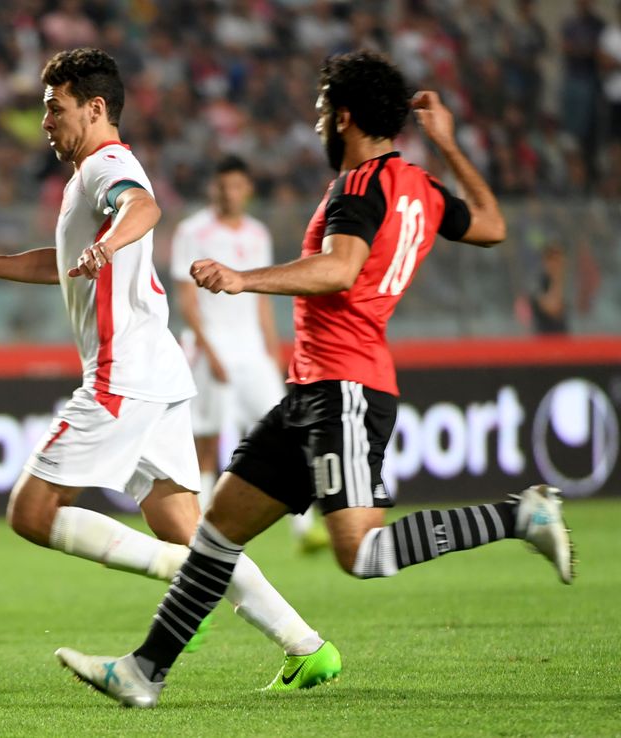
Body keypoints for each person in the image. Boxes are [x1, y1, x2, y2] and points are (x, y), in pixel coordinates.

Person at [56, 50, 575, 709]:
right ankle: (143, 673)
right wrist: (446, 147)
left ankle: (518, 514)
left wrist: (245, 280)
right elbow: (493, 226)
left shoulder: (360, 187)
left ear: (347, 117)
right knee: (217, 529)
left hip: (347, 388)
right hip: (311, 389)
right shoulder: (417, 185)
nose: (319, 126)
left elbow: (339, 270)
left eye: (324, 112)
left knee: (361, 552)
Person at [0, 48, 326, 682]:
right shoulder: (86, 177)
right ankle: (307, 646)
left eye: (55, 108)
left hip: (122, 371)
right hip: (154, 367)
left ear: (95, 108)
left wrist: (106, 244)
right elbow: (59, 262)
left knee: (31, 512)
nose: (45, 122)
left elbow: (144, 208)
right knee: (190, 529)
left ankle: (185, 581)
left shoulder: (108, 165)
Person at [170, 154, 327, 552]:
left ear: (247, 189)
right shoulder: (193, 230)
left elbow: (261, 298)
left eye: (236, 185)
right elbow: (186, 300)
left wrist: (273, 350)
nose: (228, 193)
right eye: (222, 186)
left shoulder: (257, 233)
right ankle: (200, 530)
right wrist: (208, 351)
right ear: (213, 188)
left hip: (252, 351)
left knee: (289, 435)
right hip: (212, 349)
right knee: (208, 440)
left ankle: (305, 529)